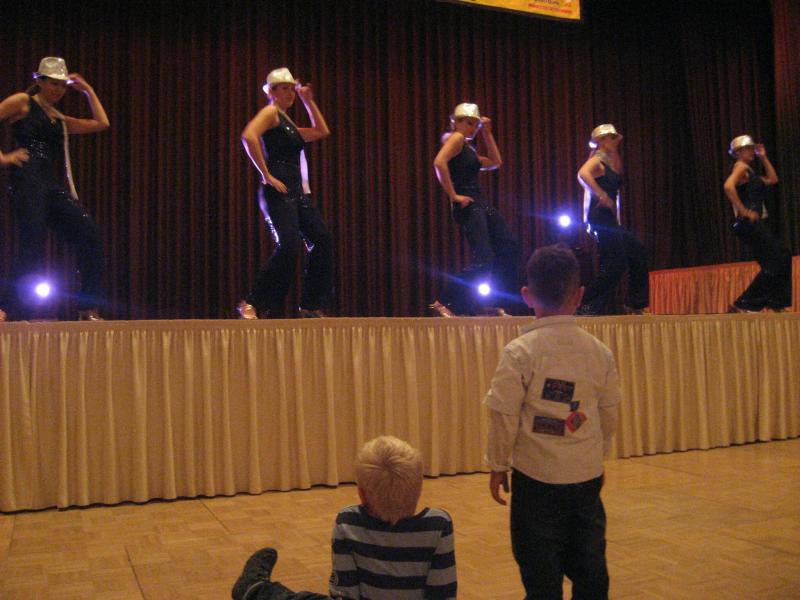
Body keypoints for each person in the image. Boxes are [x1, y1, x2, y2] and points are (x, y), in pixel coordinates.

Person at [484, 244, 621, 599]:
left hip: (535, 480)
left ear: (526, 295)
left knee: (539, 571)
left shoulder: (519, 352)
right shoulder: (600, 352)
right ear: (579, 296)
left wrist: (498, 464)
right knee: (590, 566)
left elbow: (503, 415)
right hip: (585, 478)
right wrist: (596, 454)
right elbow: (609, 413)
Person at [231, 435, 457, 600]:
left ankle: (254, 589)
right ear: (419, 487)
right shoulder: (438, 525)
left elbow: (344, 593)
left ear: (361, 494)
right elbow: (443, 593)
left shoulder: (348, 521)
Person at [0, 57, 109, 321]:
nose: (58, 90)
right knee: (32, 243)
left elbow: (101, 123)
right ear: (39, 81)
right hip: (27, 181)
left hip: (49, 184)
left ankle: (87, 307)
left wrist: (87, 90)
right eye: (53, 83)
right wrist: (3, 158)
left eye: (62, 85)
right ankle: (5, 308)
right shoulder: (23, 102)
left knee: (90, 234)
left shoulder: (58, 118)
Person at [238, 67, 333, 319]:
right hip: (278, 191)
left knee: (322, 240)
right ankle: (251, 302)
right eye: (284, 89)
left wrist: (308, 101)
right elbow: (249, 136)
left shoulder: (287, 123)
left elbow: (321, 131)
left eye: (292, 89)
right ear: (271, 92)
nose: (290, 93)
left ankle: (310, 304)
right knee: (288, 246)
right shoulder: (271, 112)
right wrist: (266, 174)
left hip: (297, 193)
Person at [430, 102, 519, 317]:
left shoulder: (468, 148)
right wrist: (454, 196)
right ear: (456, 122)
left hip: (481, 204)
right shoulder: (456, 138)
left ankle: (487, 302)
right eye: (469, 123)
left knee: (508, 246)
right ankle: (442, 301)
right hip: (469, 205)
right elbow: (439, 162)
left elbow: (496, 162)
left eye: (475, 124)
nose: (472, 128)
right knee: (484, 259)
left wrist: (487, 133)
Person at [577, 124, 649, 315]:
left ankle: (636, 303)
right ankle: (583, 304)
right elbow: (582, 173)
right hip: (600, 217)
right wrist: (600, 194)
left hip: (609, 218)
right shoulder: (597, 160)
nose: (613, 141)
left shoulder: (610, 160)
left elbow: (618, 173)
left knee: (637, 251)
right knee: (616, 264)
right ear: (600, 140)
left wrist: (615, 147)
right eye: (610, 137)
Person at [723, 135, 791, 312]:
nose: (751, 151)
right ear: (738, 152)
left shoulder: (749, 172)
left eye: (752, 148)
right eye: (748, 148)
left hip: (751, 224)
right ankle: (745, 303)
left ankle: (775, 302)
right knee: (780, 256)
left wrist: (763, 157)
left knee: (777, 259)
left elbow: (773, 179)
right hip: (749, 223)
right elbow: (728, 186)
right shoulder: (741, 166)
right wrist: (744, 211)